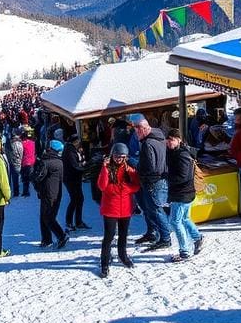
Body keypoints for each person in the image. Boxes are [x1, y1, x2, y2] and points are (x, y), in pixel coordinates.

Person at [97, 142, 140, 278]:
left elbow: (137, 185)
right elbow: (102, 186)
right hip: (111, 207)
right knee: (108, 237)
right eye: (116, 156)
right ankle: (104, 262)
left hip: (125, 208)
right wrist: (104, 168)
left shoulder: (129, 168)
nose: (118, 159)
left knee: (123, 235)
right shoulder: (107, 168)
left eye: (121, 157)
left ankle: (123, 256)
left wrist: (126, 187)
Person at [130, 114, 172, 250]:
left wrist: (133, 162)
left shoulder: (148, 144)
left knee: (155, 210)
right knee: (149, 209)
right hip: (156, 180)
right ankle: (152, 233)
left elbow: (150, 167)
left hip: (153, 182)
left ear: (142, 128)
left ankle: (165, 238)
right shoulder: (158, 136)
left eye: (136, 130)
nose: (135, 134)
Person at [165, 129, 204, 262]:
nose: (169, 142)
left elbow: (183, 176)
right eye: (168, 139)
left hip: (182, 193)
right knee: (185, 219)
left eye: (172, 139)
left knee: (175, 222)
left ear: (179, 140)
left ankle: (184, 251)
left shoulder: (182, 155)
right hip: (184, 192)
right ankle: (197, 238)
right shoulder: (174, 152)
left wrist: (166, 177)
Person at [32, 139, 68, 250]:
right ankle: (46, 239)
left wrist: (32, 175)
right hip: (55, 192)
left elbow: (38, 176)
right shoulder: (59, 161)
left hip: (48, 193)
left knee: (47, 217)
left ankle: (61, 235)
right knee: (45, 216)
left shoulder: (46, 162)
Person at [62, 134, 89, 231]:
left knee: (79, 199)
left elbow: (78, 162)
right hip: (71, 178)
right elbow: (74, 166)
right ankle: (70, 221)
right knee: (75, 199)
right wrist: (84, 168)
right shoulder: (70, 151)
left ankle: (78, 221)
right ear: (75, 141)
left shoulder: (73, 149)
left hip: (75, 178)